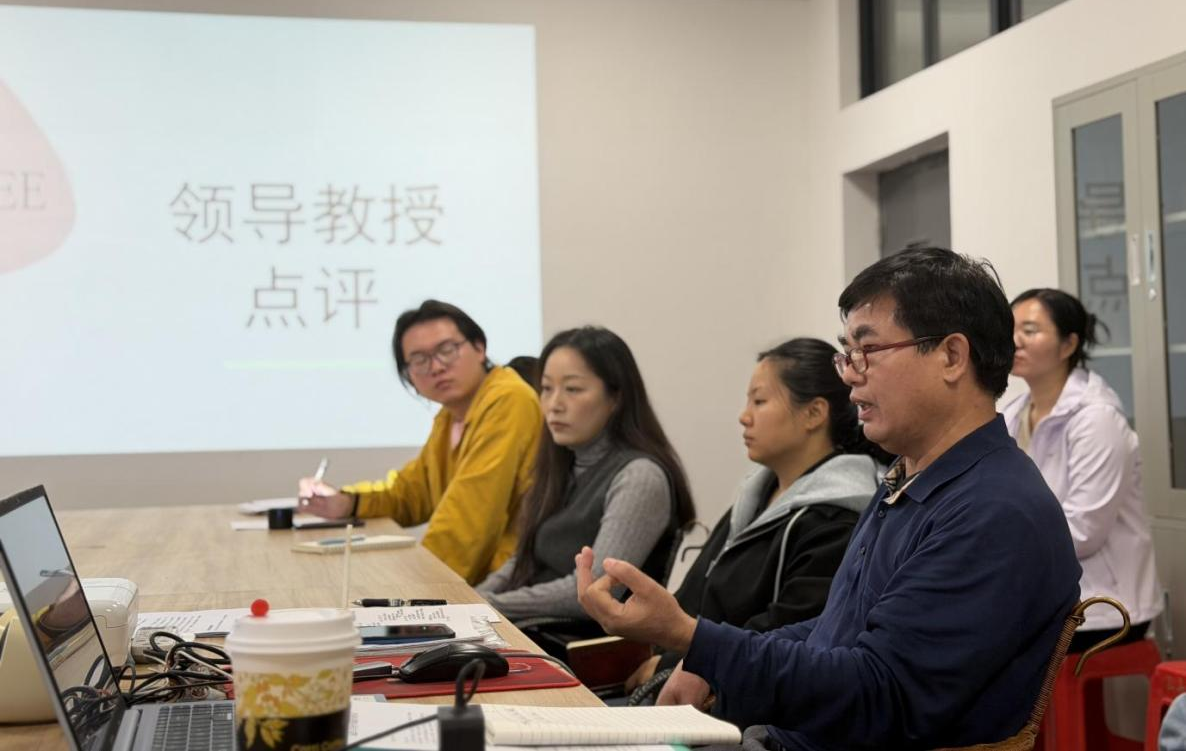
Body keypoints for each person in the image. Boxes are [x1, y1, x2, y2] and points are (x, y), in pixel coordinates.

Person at [575, 247, 1082, 750]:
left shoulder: (994, 512)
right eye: (847, 353)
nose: (850, 373)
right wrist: (706, 658)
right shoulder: (912, 478)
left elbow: (877, 695)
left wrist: (692, 637)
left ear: (951, 356)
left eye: (868, 350)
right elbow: (836, 631)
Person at [625, 338, 889, 698]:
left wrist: (672, 662)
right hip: (695, 672)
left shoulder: (837, 518)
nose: (744, 416)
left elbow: (791, 629)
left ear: (814, 413)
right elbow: (692, 598)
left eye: (759, 401)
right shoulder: (756, 496)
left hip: (734, 694)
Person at [299, 300, 541, 585]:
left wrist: (416, 587)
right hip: (482, 584)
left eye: (447, 350)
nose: (436, 367)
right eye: (419, 360)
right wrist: (349, 502)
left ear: (479, 347)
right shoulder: (449, 417)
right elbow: (413, 492)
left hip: (512, 587)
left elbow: (467, 519)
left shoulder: (508, 399)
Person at [477, 326, 695, 628]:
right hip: (532, 626)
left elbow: (595, 590)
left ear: (616, 397)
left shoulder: (639, 476)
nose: (554, 404)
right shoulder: (561, 464)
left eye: (573, 389)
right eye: (546, 388)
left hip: (581, 642)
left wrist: (488, 605)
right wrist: (472, 598)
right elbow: (523, 560)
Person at [1004, 288, 1162, 652]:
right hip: (1047, 597)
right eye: (1011, 329)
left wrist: (1002, 546)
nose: (1015, 341)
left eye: (1030, 330)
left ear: (1068, 344)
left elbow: (1083, 531)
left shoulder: (1096, 418)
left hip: (1103, 608)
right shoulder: (1014, 414)